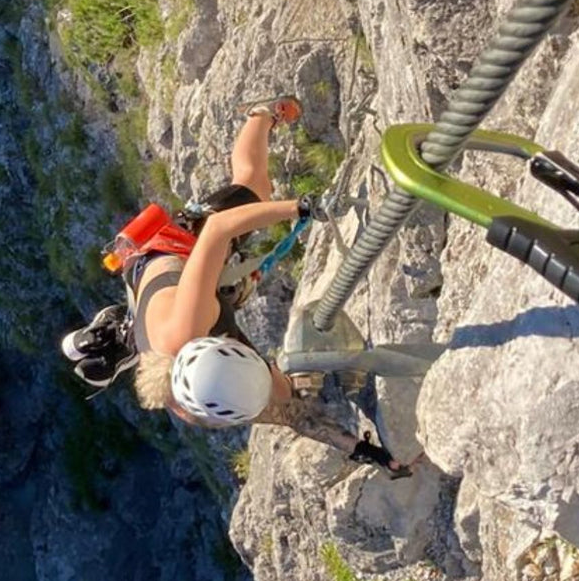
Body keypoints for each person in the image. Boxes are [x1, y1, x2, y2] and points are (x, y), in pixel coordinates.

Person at [126, 96, 413, 478]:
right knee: (279, 392)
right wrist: (362, 450)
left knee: (254, 186)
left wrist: (300, 207)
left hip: (176, 251)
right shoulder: (207, 401)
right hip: (187, 306)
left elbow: (217, 228)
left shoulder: (188, 324)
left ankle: (261, 114)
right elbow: (291, 414)